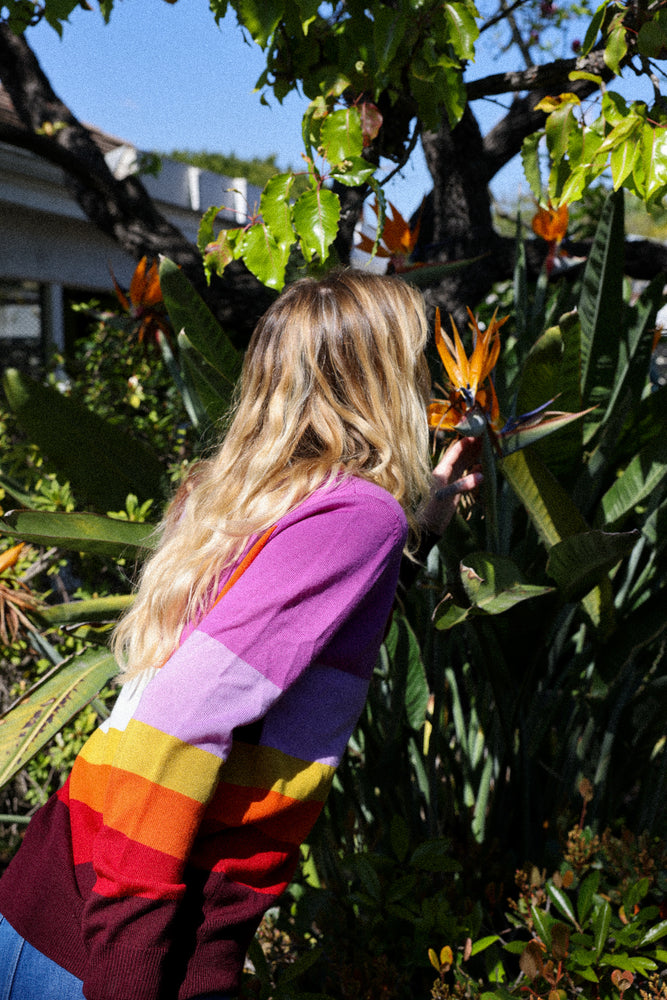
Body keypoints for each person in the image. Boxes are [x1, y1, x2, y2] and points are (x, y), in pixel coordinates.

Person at [0, 270, 480, 1000]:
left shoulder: (234, 497)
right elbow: (179, 720)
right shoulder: (357, 517)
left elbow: (293, 644)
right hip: (119, 946)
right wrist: (128, 966)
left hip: (44, 898)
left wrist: (428, 518)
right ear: (381, 378)